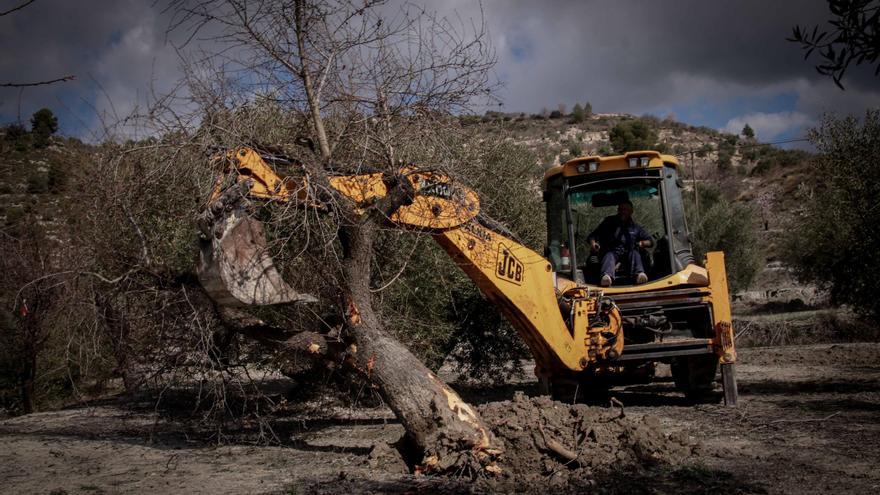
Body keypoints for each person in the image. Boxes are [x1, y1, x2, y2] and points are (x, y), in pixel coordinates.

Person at [587, 200, 653, 286]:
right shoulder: (608, 222)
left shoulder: (635, 227)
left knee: (635, 253)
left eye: (626, 209)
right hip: (612, 253)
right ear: (618, 210)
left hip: (628, 257)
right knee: (609, 255)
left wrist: (642, 243)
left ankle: (639, 275)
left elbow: (651, 242)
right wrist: (593, 244)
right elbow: (592, 236)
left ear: (631, 211)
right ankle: (607, 278)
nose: (623, 212)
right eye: (621, 209)